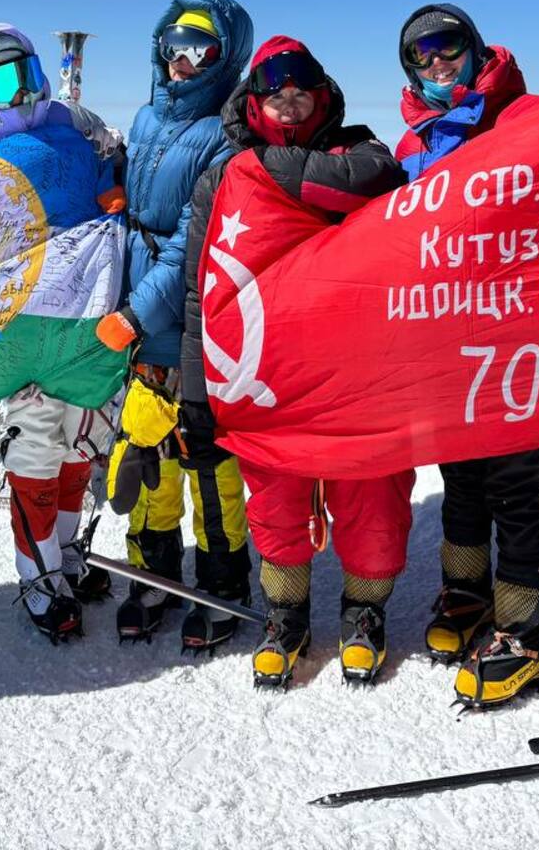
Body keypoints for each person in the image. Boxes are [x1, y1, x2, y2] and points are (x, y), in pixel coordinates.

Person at [182, 36, 409, 686]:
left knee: (372, 491)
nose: (288, 100)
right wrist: (197, 394)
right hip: (266, 370)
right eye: (273, 90)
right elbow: (203, 291)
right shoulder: (221, 179)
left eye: (300, 89)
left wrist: (266, 166)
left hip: (359, 369)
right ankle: (286, 615)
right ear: (252, 102)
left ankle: (364, 612)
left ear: (322, 96)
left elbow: (381, 182)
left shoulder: (362, 154)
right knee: (276, 495)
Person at [394, 5, 539, 708]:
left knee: (513, 480)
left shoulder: (524, 116)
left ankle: (526, 632)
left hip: (520, 329)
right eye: (421, 54)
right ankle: (465, 594)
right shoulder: (412, 143)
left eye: (448, 46)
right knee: (459, 472)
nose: (437, 61)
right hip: (449, 334)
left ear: (475, 49)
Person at [94, 0, 257, 652]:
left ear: (226, 56)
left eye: (200, 47)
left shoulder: (225, 134)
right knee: (147, 456)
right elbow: (145, 203)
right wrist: (116, 191)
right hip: (139, 321)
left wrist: (136, 314)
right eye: (173, 44)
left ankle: (224, 586)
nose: (182, 59)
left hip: (190, 324)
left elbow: (195, 240)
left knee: (206, 463)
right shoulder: (147, 115)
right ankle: (152, 577)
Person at [0, 22, 124, 643]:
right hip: (23, 326)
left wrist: (114, 184)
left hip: (86, 316)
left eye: (26, 72)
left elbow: (110, 170)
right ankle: (39, 576)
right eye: (3, 80)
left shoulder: (74, 122)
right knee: (35, 447)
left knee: (83, 441)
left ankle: (68, 553)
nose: (21, 90)